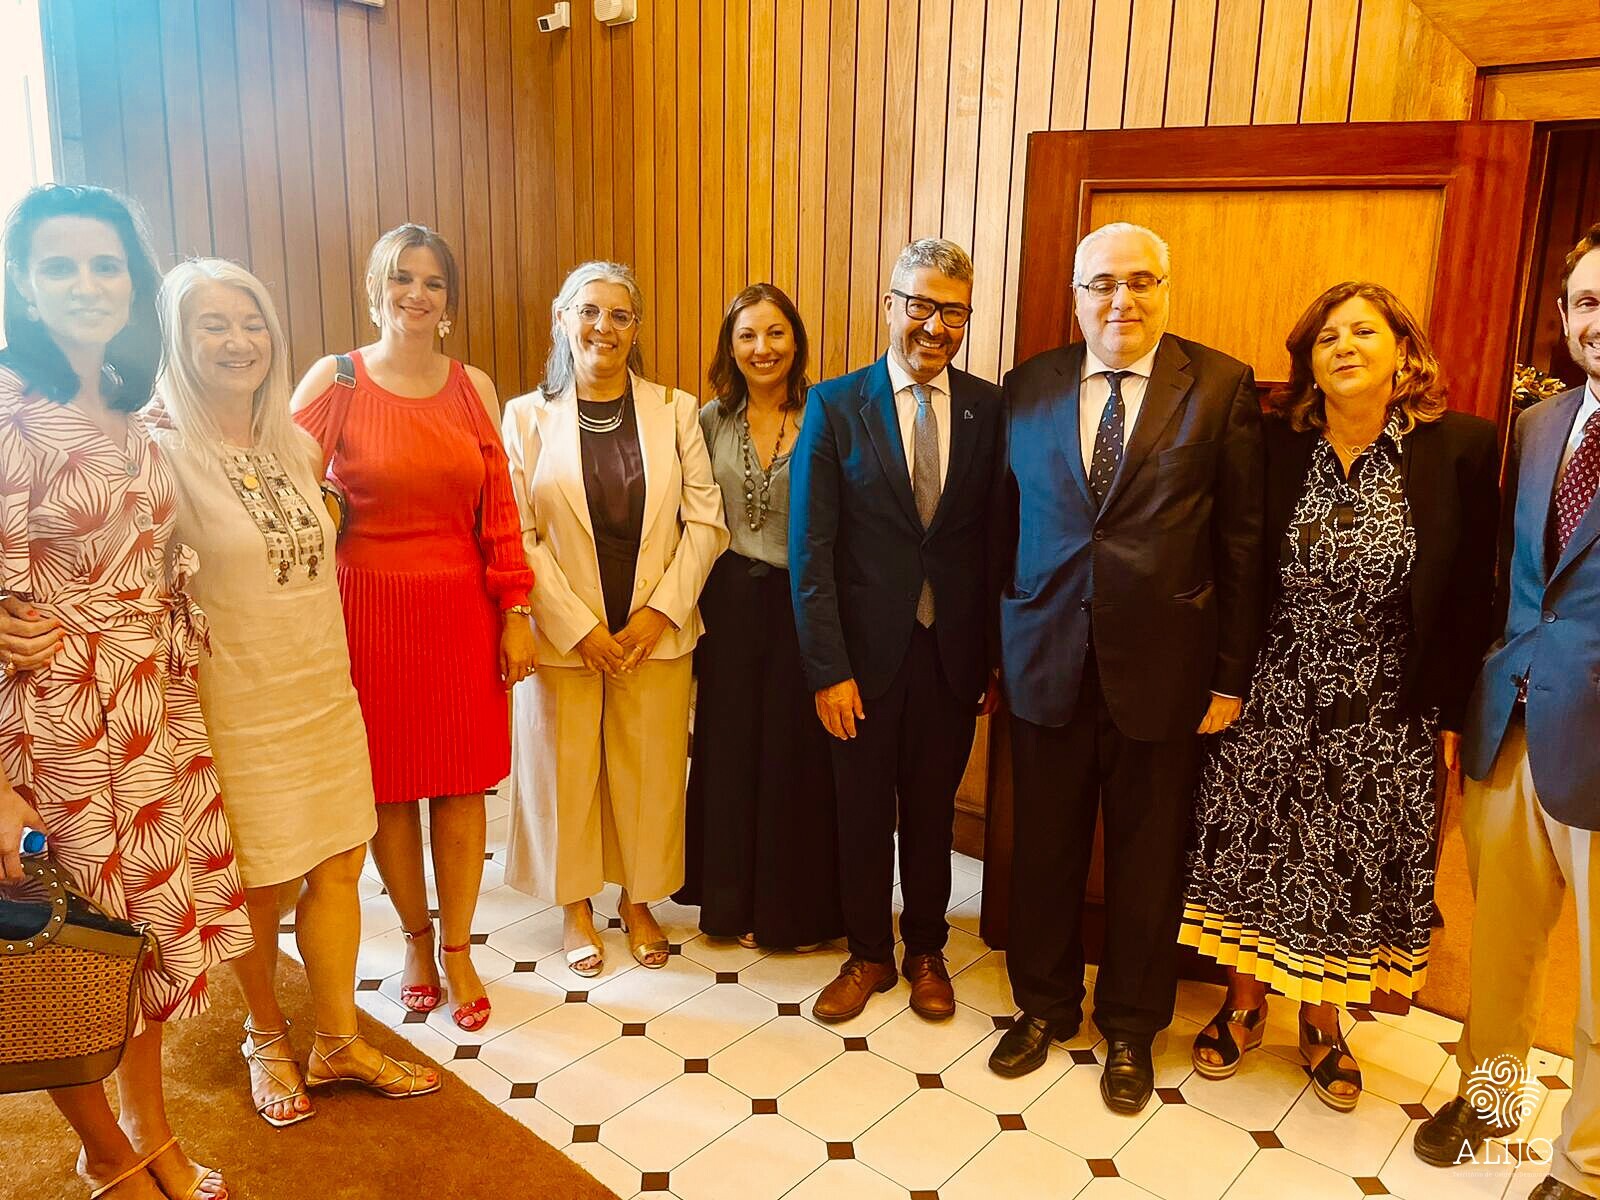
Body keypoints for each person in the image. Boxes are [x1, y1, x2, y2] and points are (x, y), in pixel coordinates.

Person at [1180, 282, 1497, 1112]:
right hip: (1274, 690)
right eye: (1327, 338)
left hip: (1386, 706)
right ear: (1309, 362)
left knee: (1348, 864)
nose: (1345, 347)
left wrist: (1452, 711)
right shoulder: (1274, 442)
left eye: (1364, 332)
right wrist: (1225, 677)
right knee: (1256, 853)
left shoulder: (1460, 446)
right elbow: (1233, 559)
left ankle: (1322, 1020)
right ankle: (1243, 1005)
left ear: (1404, 351)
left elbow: (1472, 592)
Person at [0, 184, 250, 1199]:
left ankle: (151, 1130)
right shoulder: (8, 410)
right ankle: (108, 1151)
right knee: (69, 945)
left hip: (149, 704)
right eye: (58, 265)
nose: (86, 284)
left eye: (106, 264)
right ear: (22, 283)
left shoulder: (133, 403)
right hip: (53, 719)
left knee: (138, 942)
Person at [150, 259, 437, 1121]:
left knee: (341, 860)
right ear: (176, 338)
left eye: (252, 323)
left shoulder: (297, 445)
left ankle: (338, 1038)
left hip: (321, 687)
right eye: (212, 325)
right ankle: (266, 1035)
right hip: (235, 699)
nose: (239, 341)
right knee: (262, 880)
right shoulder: (157, 451)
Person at [988, 222, 1264, 1114]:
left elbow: (1242, 543)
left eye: (1141, 281)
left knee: (1149, 861)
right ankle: (1042, 1005)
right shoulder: (1028, 385)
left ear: (1166, 288)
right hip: (1046, 660)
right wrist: (1000, 648)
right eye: (1103, 284)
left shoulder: (1218, 386)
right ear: (1076, 296)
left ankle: (1133, 1028)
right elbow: (1003, 527)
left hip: (1166, 672)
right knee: (1043, 849)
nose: (1122, 300)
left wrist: (1230, 677)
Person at [292, 224, 535, 1033]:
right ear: (376, 289)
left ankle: (460, 947)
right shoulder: (336, 378)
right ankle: (416, 944)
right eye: (402, 278)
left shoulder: (473, 386)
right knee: (391, 790)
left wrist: (516, 610)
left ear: (449, 300)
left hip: (461, 611)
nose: (417, 294)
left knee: (462, 787)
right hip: (368, 612)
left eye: (432, 282)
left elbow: (500, 510)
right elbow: (284, 493)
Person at [1413, 225, 1600, 1200]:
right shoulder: (1538, 424)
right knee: (1503, 951)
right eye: (1589, 302)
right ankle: (1489, 1104)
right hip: (1513, 723)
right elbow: (1510, 578)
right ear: (1565, 316)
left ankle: (1583, 1166)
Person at [789, 237, 1003, 1025]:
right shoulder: (835, 405)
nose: (935, 326)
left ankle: (926, 951)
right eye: (920, 305)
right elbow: (810, 550)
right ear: (890, 305)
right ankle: (869, 953)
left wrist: (991, 660)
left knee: (932, 813)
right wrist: (827, 670)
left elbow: (995, 543)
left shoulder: (989, 409)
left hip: (950, 657)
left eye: (954, 312)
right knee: (861, 813)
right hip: (860, 660)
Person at [501, 261, 726, 977]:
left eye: (620, 315)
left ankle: (638, 900)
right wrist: (578, 627)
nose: (604, 327)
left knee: (650, 772)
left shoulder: (676, 410)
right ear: (562, 319)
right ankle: (574, 906)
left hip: (655, 632)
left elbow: (706, 522)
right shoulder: (525, 416)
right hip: (564, 635)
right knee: (565, 773)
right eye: (589, 311)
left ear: (636, 329)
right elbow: (518, 534)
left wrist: (660, 613)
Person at [674, 283, 843, 950]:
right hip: (728, 604)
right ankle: (727, 905)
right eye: (747, 335)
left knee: (794, 755)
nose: (762, 347)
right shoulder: (710, 420)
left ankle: (790, 912)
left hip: (804, 602)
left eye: (775, 332)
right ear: (731, 347)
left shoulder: (826, 413)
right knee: (729, 750)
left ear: (795, 340)